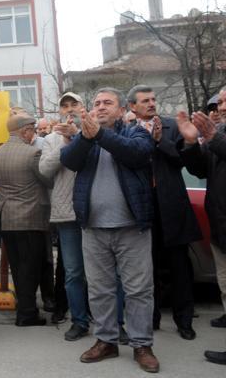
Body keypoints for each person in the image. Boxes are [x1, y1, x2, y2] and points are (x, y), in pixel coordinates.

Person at [60, 87, 159, 373]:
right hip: (94, 227)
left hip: (131, 227)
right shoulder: (87, 136)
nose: (100, 107)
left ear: (120, 109)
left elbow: (137, 154)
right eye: (96, 103)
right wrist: (87, 138)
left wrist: (99, 136)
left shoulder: (135, 132)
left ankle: (141, 344)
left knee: (139, 290)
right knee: (100, 289)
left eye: (107, 103)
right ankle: (106, 341)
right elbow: (68, 160)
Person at [127, 85, 200, 340]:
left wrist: (160, 141)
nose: (151, 103)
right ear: (132, 107)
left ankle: (184, 322)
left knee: (180, 269)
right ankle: (152, 320)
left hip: (172, 207)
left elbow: (184, 161)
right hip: (143, 208)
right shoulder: (127, 130)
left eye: (153, 99)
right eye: (144, 100)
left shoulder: (171, 126)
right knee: (147, 270)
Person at [178, 86, 226, 365]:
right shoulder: (219, 136)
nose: (222, 106)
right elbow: (200, 170)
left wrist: (212, 137)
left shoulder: (218, 136)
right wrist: (189, 144)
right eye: (220, 101)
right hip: (222, 229)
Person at [39, 92, 91, 341]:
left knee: (105, 272)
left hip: (95, 210)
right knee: (73, 272)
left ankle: (112, 322)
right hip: (67, 212)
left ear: (83, 108)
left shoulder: (95, 132)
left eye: (74, 104)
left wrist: (78, 136)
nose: (69, 109)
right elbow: (46, 169)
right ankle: (79, 320)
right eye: (65, 106)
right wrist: (64, 139)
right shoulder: (50, 139)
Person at [0, 114, 52, 326]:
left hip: (5, 216)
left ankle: (24, 309)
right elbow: (47, 179)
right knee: (31, 267)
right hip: (29, 217)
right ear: (25, 130)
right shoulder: (33, 152)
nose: (33, 135)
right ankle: (27, 313)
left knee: (18, 266)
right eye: (33, 130)